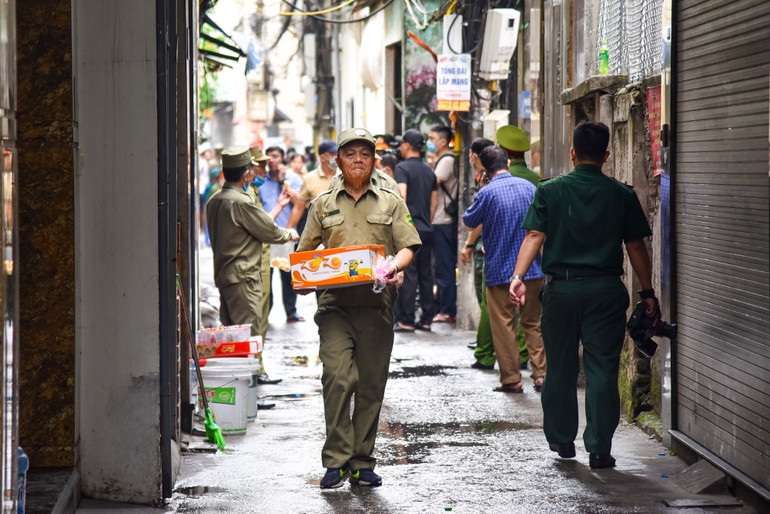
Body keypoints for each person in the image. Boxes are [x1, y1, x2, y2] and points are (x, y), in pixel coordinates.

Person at [509, 120, 656, 469]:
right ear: (606, 156)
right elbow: (636, 246)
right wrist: (647, 291)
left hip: (561, 289)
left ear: (573, 153)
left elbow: (533, 237)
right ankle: (599, 448)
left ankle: (562, 439)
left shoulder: (550, 190)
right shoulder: (621, 194)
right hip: (605, 291)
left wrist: (518, 277)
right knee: (602, 368)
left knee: (559, 366)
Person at [296, 128, 421, 489]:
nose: (357, 160)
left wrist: (394, 267)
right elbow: (305, 256)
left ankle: (362, 462)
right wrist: (305, 276)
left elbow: (408, 245)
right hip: (335, 307)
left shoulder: (390, 199)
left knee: (370, 385)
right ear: (338, 160)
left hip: (376, 306)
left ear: (373, 160)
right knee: (338, 378)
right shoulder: (322, 203)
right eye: (350, 154)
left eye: (364, 154)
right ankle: (336, 461)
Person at [206, 146, 299, 391]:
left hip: (226, 275)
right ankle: (250, 395)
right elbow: (269, 231)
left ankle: (241, 395)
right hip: (244, 277)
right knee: (247, 337)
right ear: (246, 174)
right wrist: (290, 234)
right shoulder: (242, 201)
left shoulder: (215, 200)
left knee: (233, 337)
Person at [462, 146, 546, 393]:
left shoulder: (487, 193)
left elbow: (469, 222)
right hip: (531, 269)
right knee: (532, 322)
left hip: (499, 270)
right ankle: (541, 374)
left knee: (504, 325)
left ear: (486, 169)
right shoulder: (529, 187)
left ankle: (511, 379)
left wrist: (482, 190)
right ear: (508, 163)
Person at [246, 145, 293, 390]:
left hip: (262, 256)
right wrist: (286, 233)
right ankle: (255, 369)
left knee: (262, 316)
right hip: (255, 260)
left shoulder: (254, 191)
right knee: (257, 317)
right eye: (261, 165)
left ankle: (258, 367)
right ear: (249, 168)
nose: (265, 168)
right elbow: (262, 225)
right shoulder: (248, 194)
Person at [498, 125, 541, 369]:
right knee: (532, 319)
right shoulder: (536, 179)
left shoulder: (498, 180)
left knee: (502, 318)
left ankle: (510, 375)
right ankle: (538, 369)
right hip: (534, 260)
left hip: (503, 259)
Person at [393, 128, 437, 332]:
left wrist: (404, 224)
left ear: (407, 145)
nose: (401, 147)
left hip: (410, 228)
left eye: (402, 144)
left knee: (409, 273)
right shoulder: (429, 169)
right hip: (427, 227)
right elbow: (434, 201)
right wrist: (426, 219)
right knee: (426, 273)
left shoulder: (402, 168)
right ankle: (427, 319)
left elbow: (401, 197)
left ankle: (407, 320)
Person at [459, 138, 495, 369]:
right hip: (489, 245)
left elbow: (478, 218)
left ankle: (487, 350)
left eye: (472, 155)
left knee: (488, 301)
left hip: (486, 246)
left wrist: (469, 244)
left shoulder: (488, 180)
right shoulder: (487, 177)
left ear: (476, 155)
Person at [259, 146, 305, 323]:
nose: (272, 160)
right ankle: (265, 313)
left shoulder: (292, 179)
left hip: (285, 233)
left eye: (276, 156)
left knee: (287, 275)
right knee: (266, 276)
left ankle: (291, 311)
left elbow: (300, 204)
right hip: (265, 235)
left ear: (283, 158)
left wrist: (282, 181)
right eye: (269, 156)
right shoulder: (260, 180)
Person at [428, 125, 458, 324]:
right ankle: (443, 308)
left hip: (443, 221)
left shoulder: (446, 161)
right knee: (440, 267)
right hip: (439, 221)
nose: (429, 142)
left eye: (432, 138)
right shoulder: (440, 160)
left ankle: (448, 311)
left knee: (444, 267)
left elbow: (431, 182)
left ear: (443, 141)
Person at [286, 140, 339, 231]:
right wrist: (288, 231)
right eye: (332, 154)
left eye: (337, 154)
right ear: (322, 158)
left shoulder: (344, 176)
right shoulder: (309, 179)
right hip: (319, 233)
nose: (336, 157)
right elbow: (299, 208)